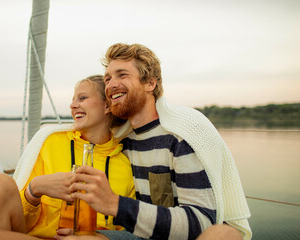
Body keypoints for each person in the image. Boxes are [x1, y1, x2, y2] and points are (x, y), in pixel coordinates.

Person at [67, 43, 252, 240]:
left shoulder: (182, 135)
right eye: (108, 79)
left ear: (150, 84)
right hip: (142, 237)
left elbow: (202, 223)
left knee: (224, 234)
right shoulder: (121, 141)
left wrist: (114, 204)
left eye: (122, 75)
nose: (111, 85)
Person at [0, 75, 135, 240]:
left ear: (107, 107)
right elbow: (20, 222)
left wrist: (95, 235)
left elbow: (127, 232)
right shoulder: (50, 143)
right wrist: (34, 190)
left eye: (82, 98)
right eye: (73, 100)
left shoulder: (124, 166)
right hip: (37, 237)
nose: (73, 106)